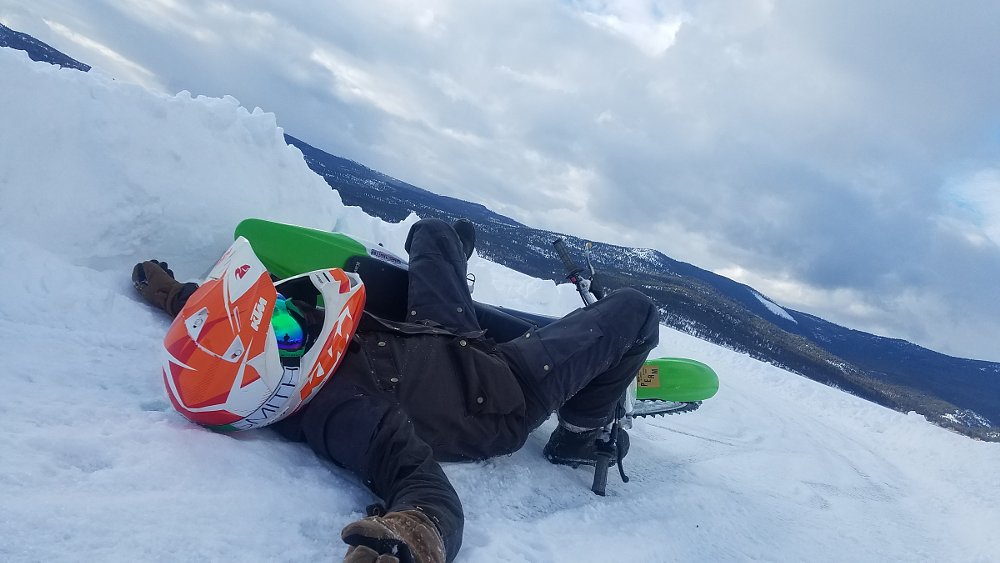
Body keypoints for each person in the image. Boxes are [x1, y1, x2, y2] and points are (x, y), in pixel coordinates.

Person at [132, 218, 659, 563]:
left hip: (435, 332)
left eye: (285, 317)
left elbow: (228, 328)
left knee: (434, 231)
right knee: (636, 309)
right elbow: (421, 486)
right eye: (288, 331)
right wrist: (413, 534)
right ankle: (579, 431)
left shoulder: (281, 356)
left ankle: (451, 258)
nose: (297, 317)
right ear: (272, 383)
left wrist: (174, 294)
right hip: (498, 391)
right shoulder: (346, 415)